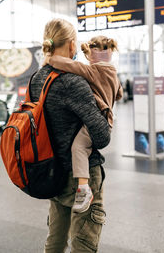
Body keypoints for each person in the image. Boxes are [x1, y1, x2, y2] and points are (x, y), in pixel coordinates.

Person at [30, 18, 111, 253]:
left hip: (52, 171)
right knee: (83, 243)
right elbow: (102, 135)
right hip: (81, 179)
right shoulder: (73, 82)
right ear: (72, 45)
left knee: (54, 240)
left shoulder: (37, 78)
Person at [46, 35, 123, 213]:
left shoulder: (92, 71)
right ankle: (83, 186)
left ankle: (83, 187)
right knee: (84, 147)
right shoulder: (113, 73)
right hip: (108, 119)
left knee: (78, 147)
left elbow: (67, 64)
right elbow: (118, 95)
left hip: (97, 121)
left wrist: (50, 57)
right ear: (110, 54)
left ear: (90, 55)